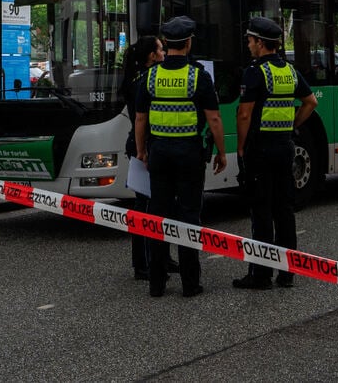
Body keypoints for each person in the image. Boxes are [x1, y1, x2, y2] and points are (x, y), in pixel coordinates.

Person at [134, 16, 227, 298]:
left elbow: (140, 119)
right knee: (189, 214)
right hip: (189, 153)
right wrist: (221, 151)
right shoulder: (199, 76)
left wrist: (141, 151)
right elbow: (213, 118)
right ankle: (190, 283)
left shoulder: (150, 76)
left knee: (158, 214)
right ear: (188, 43)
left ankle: (157, 283)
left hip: (159, 153)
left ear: (168, 45)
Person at [232, 17, 318, 290]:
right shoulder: (289, 71)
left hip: (260, 150)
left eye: (250, 40)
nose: (248, 45)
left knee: (261, 211)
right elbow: (310, 102)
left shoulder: (255, 71)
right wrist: (292, 125)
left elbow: (244, 113)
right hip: (285, 148)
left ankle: (260, 274)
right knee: (284, 210)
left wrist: (241, 146)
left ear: (260, 42)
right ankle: (287, 272)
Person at [119, 35, 179, 281]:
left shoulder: (138, 78)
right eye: (161, 50)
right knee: (145, 207)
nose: (164, 53)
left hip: (144, 146)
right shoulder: (144, 81)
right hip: (144, 148)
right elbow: (143, 118)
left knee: (160, 204)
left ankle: (162, 258)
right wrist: (143, 150)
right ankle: (143, 263)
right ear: (151, 56)